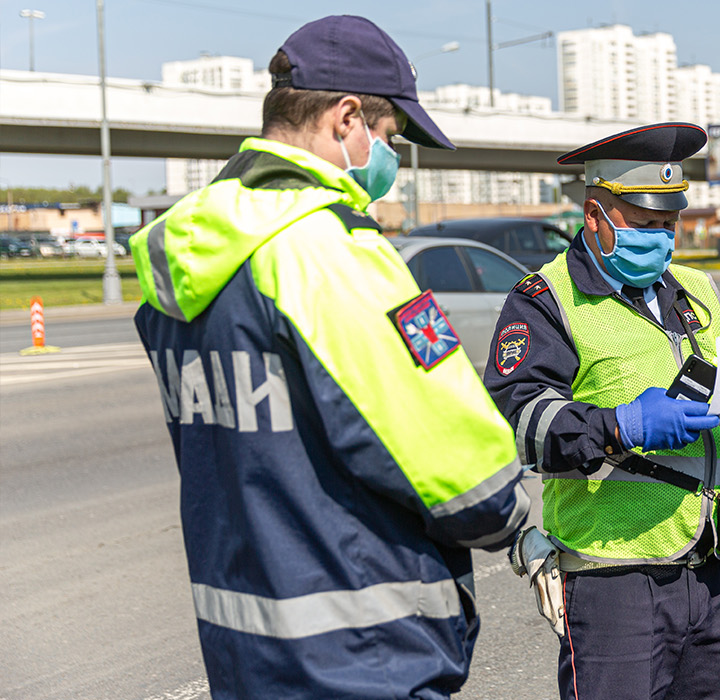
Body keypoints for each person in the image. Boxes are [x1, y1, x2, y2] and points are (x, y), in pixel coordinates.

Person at [129, 16, 527, 699]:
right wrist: (514, 517)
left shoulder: (190, 257)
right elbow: (452, 454)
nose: (391, 160)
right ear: (347, 118)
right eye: (392, 137)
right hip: (364, 650)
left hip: (248, 650)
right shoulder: (330, 252)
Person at [484, 122, 720, 700]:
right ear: (595, 217)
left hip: (708, 562)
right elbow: (517, 421)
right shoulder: (547, 298)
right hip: (614, 576)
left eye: (669, 224)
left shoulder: (695, 290)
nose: (662, 239)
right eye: (644, 224)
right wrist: (618, 426)